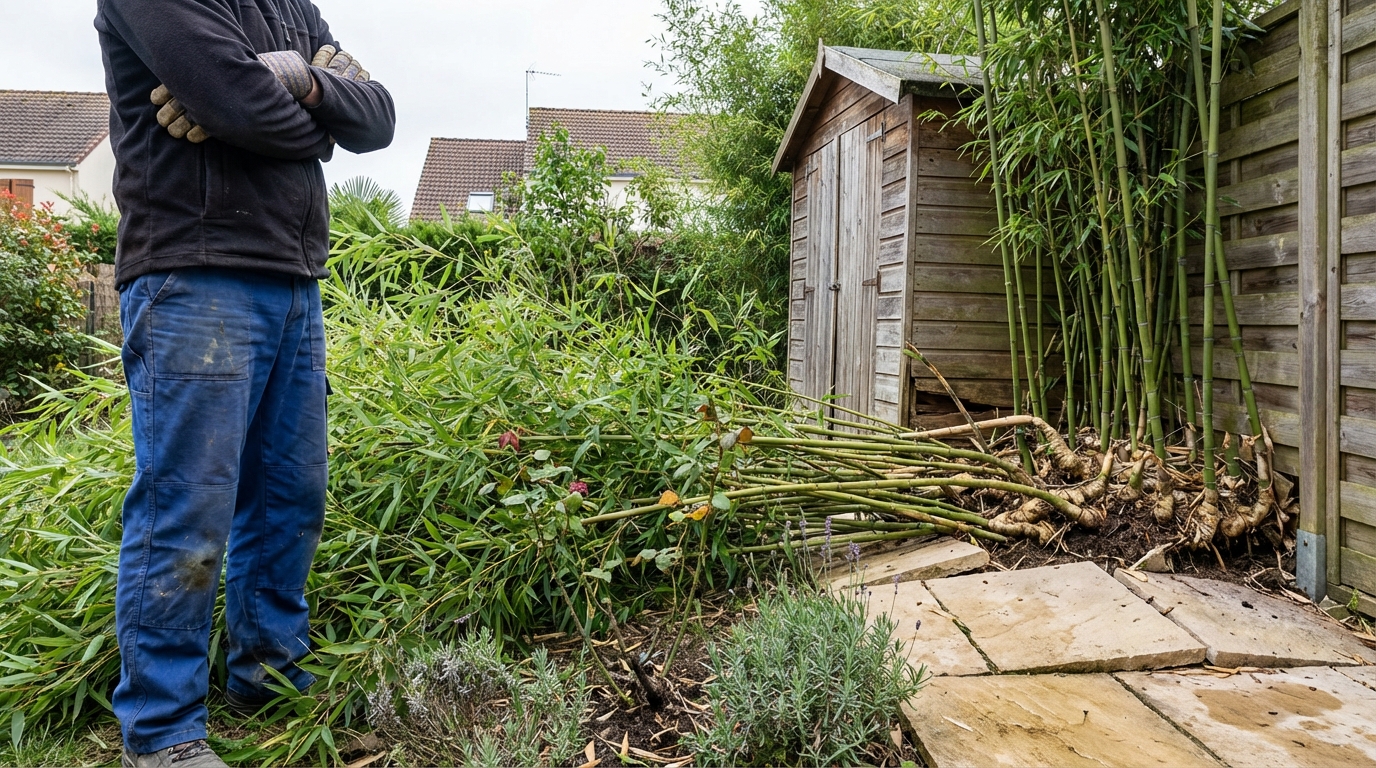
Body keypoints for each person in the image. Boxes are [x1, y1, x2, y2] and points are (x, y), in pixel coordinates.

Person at [94, 1, 395, 765]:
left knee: (290, 494)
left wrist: (290, 82)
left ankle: (268, 676)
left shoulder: (291, 7)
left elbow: (380, 117)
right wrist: (311, 111)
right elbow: (236, 102)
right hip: (193, 274)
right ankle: (161, 733)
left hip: (293, 279)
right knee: (186, 509)